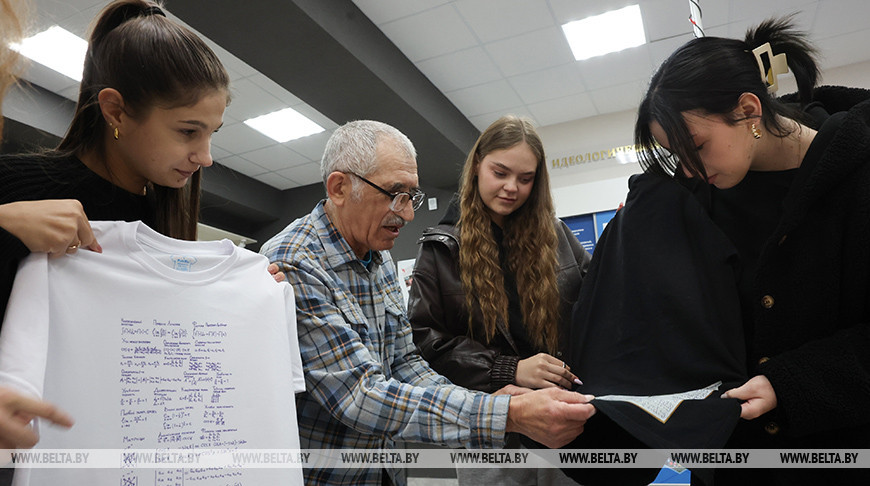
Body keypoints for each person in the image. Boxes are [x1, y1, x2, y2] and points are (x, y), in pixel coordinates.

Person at [0, 0, 279, 457]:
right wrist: (5, 227)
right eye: (188, 131)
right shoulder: (14, 189)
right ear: (115, 111)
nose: (206, 156)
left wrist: (244, 302)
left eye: (212, 133)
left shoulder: (163, 223)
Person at [260, 119, 597, 486]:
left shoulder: (378, 256)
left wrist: (493, 405)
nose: (407, 213)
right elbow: (359, 395)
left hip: (385, 470)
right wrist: (504, 412)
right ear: (340, 187)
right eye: (394, 194)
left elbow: (405, 362)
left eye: (412, 196)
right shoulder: (295, 261)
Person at [634, 16, 870, 485]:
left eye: (695, 146)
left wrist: (792, 382)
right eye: (674, 156)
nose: (687, 170)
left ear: (747, 110)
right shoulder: (703, 199)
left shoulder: (856, 175)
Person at [407, 115, 590, 485]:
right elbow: (425, 342)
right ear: (477, 165)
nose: (512, 188)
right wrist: (509, 369)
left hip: (566, 424)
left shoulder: (557, 236)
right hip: (492, 433)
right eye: (500, 172)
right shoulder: (441, 248)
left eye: (526, 179)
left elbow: (595, 306)